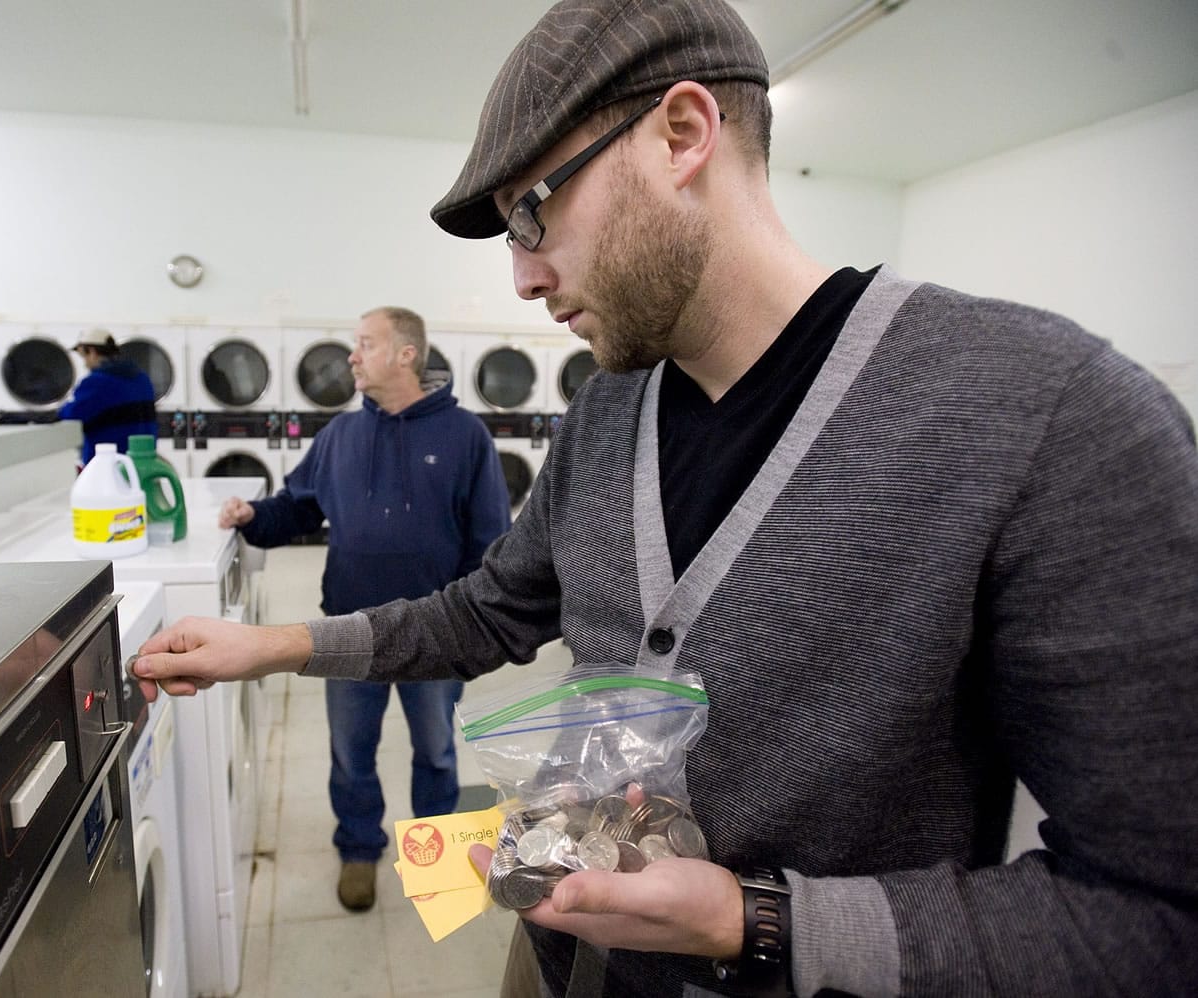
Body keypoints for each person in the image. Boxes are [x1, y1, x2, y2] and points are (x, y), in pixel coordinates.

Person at [132, 1, 1198, 995]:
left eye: (533, 214)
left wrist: (762, 921)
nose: (523, 277)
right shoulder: (606, 413)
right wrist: (270, 647)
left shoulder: (1047, 417)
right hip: (555, 949)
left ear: (683, 133)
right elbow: (488, 607)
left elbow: (1157, 909)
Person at [217, 306, 511, 912]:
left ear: (406, 353)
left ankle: (441, 854)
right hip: (348, 632)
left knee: (435, 749)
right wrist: (253, 518)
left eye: (365, 344)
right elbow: (296, 508)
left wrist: (472, 626)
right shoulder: (339, 438)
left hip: (438, 634)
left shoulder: (464, 436)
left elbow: (490, 541)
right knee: (351, 751)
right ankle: (358, 849)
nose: (351, 355)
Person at [58, 328, 157, 467]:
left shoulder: (96, 382)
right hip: (143, 462)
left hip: (110, 467)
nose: (85, 363)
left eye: (84, 356)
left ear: (92, 352)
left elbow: (72, 414)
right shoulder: (142, 378)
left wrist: (58, 412)